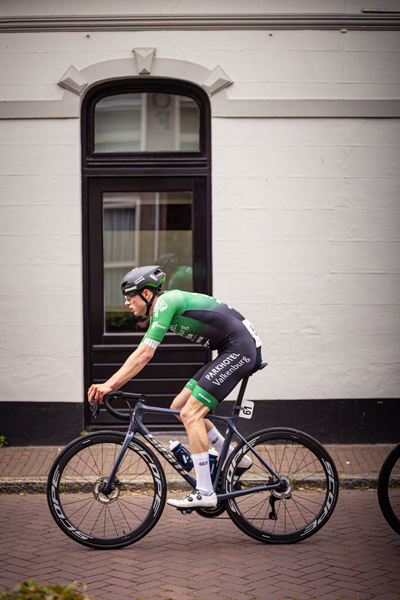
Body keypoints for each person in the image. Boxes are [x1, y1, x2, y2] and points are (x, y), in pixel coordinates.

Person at [88, 265, 263, 509]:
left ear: (146, 295)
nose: (127, 303)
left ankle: (204, 491)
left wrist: (109, 384)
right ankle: (236, 459)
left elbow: (144, 355)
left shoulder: (164, 303)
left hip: (240, 349)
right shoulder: (162, 308)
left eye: (130, 297)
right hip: (232, 349)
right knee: (180, 406)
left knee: (192, 413)